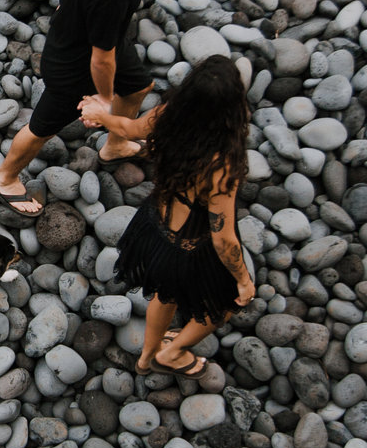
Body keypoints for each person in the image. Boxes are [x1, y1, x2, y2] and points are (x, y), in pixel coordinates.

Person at [0, 0, 181, 216]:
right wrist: (103, 101)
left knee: (138, 86)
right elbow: (101, 58)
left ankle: (116, 145)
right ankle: (3, 177)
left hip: (92, 31)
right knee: (42, 127)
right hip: (74, 62)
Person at [80, 54, 255, 378]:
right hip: (190, 247)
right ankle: (171, 354)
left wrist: (99, 115)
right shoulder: (221, 163)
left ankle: (146, 358)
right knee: (226, 304)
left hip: (152, 228)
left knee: (166, 292)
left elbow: (129, 128)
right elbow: (224, 237)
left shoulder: (169, 115)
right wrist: (243, 280)